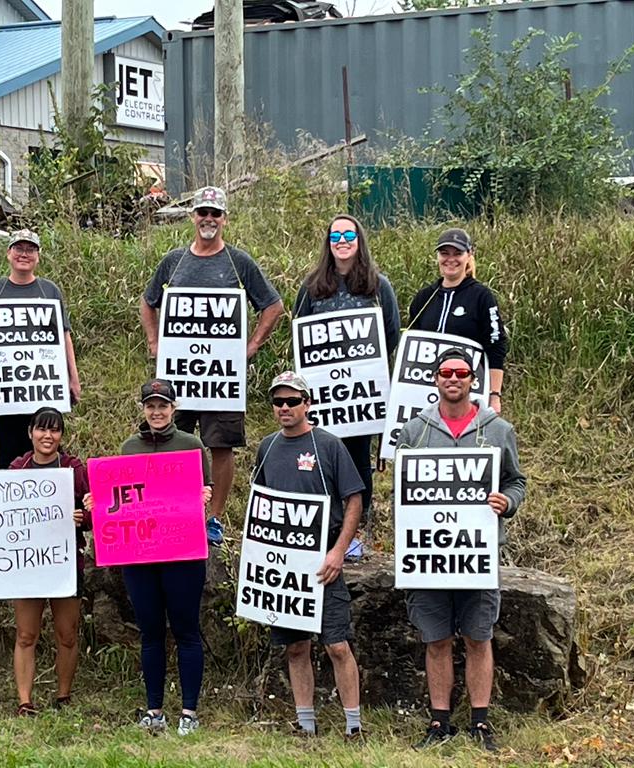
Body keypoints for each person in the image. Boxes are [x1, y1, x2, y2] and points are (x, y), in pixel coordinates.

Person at [397, 348, 526, 752]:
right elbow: (402, 492)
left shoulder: (498, 430)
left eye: (461, 372)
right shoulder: (414, 431)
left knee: (477, 637)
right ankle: (439, 722)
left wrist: (507, 502)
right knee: (435, 639)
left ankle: (480, 722)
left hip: (477, 556)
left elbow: (516, 482)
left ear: (473, 380)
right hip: (428, 557)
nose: (453, 378)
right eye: (445, 372)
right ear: (435, 380)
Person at [139, 186, 284, 520]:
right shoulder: (174, 261)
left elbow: (272, 306)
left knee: (221, 446)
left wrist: (251, 345)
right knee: (168, 442)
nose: (208, 219)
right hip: (177, 376)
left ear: (225, 219)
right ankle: (173, 512)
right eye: (202, 212)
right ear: (193, 217)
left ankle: (213, 519)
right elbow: (148, 303)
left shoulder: (239, 261)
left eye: (215, 213)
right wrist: (154, 344)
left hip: (221, 378)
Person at [84, 379, 213, 736]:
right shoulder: (128, 448)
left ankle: (189, 711)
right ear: (143, 409)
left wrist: (203, 498)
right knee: (150, 633)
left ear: (174, 408)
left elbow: (205, 492)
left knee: (187, 631)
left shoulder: (192, 446)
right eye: (151, 405)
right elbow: (117, 499)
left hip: (182, 554)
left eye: (163, 405)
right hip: (139, 556)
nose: (157, 412)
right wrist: (98, 504)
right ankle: (154, 710)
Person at [251, 371, 365, 740]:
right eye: (278, 402)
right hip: (284, 563)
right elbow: (260, 506)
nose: (284, 408)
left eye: (292, 401)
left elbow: (354, 499)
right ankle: (305, 724)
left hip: (324, 559)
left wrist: (339, 551)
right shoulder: (266, 447)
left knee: (336, 644)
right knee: (296, 646)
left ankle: (353, 726)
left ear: (307, 404)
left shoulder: (328, 445)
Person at [292, 213, 400, 531]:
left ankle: (360, 520)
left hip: (362, 392)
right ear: (328, 243)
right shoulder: (312, 287)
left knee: (357, 455)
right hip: (323, 394)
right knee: (323, 452)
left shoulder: (379, 286)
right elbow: (299, 336)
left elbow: (390, 335)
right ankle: (327, 519)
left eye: (349, 236)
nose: (342, 242)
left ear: (359, 241)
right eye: (335, 236)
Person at [0, 229, 82, 468]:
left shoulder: (49, 291)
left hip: (45, 387)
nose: (24, 254)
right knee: (9, 446)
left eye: (30, 250)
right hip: (6, 390)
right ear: (8, 254)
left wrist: (74, 378)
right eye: (19, 249)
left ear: (38, 257)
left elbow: (64, 336)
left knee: (48, 442)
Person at [7, 407, 90, 715]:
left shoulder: (74, 468)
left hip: (66, 563)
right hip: (27, 564)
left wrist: (83, 517)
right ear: (30, 432)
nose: (47, 436)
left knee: (67, 634)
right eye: (42, 429)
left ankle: (63, 696)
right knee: (26, 634)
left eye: (54, 430)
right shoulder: (17, 468)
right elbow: (5, 515)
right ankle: (25, 701)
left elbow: (93, 513)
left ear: (61, 436)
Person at [408, 227, 508, 414]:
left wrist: (494, 396)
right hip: (425, 391)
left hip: (469, 391)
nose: (450, 259)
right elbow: (412, 347)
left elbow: (496, 346)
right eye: (444, 253)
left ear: (469, 255)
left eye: (458, 253)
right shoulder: (424, 297)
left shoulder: (482, 296)